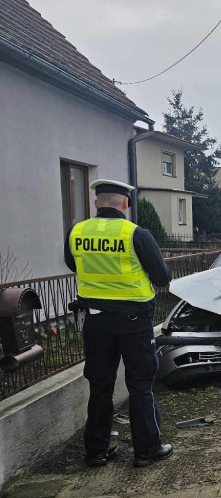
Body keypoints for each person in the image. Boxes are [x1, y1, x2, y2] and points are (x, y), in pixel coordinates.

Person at [64, 180, 173, 468]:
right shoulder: (135, 234)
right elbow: (162, 278)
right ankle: (147, 449)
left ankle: (96, 452)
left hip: (96, 321)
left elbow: (73, 264)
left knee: (100, 385)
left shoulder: (76, 232)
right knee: (139, 383)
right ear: (125, 204)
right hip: (134, 322)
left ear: (96, 204)